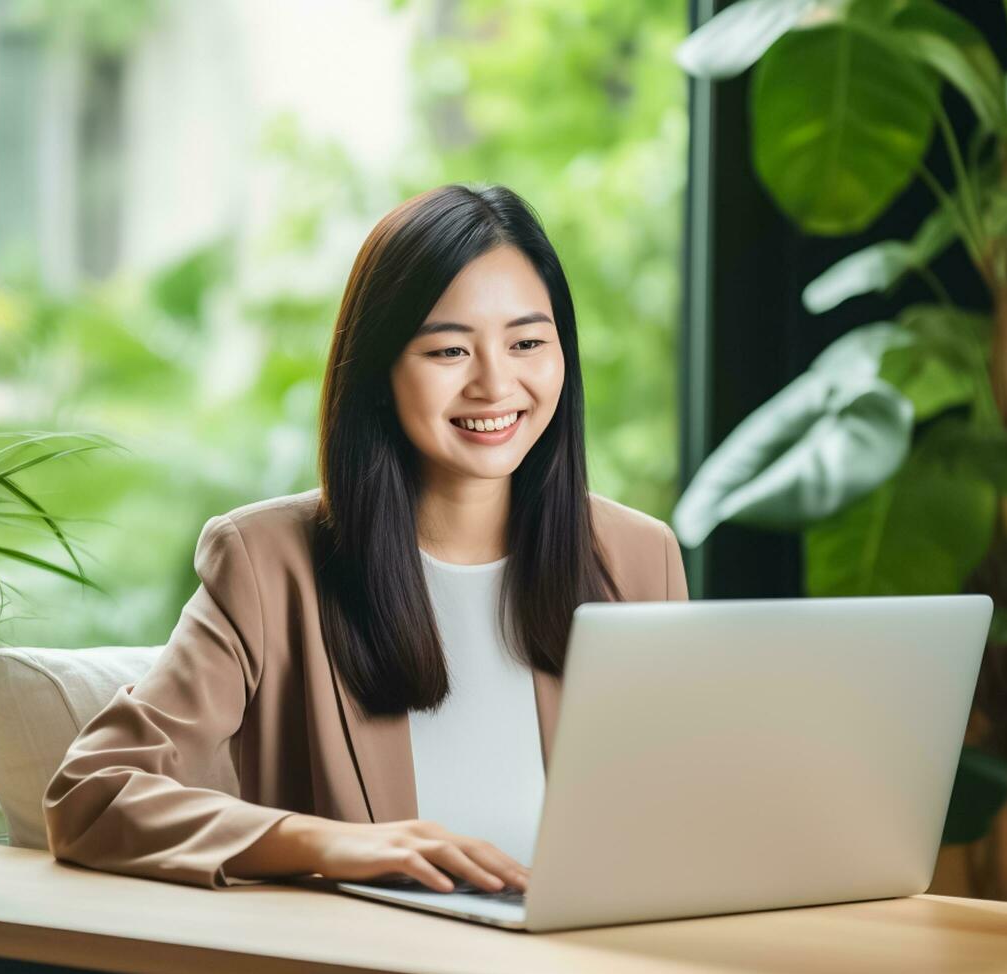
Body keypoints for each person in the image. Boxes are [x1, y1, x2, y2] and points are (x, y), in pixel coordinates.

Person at [43, 183, 689, 894]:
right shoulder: (267, 565)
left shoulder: (639, 558)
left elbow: (688, 812)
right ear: (379, 370)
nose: (495, 383)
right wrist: (328, 844)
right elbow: (91, 794)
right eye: (448, 351)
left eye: (528, 342)